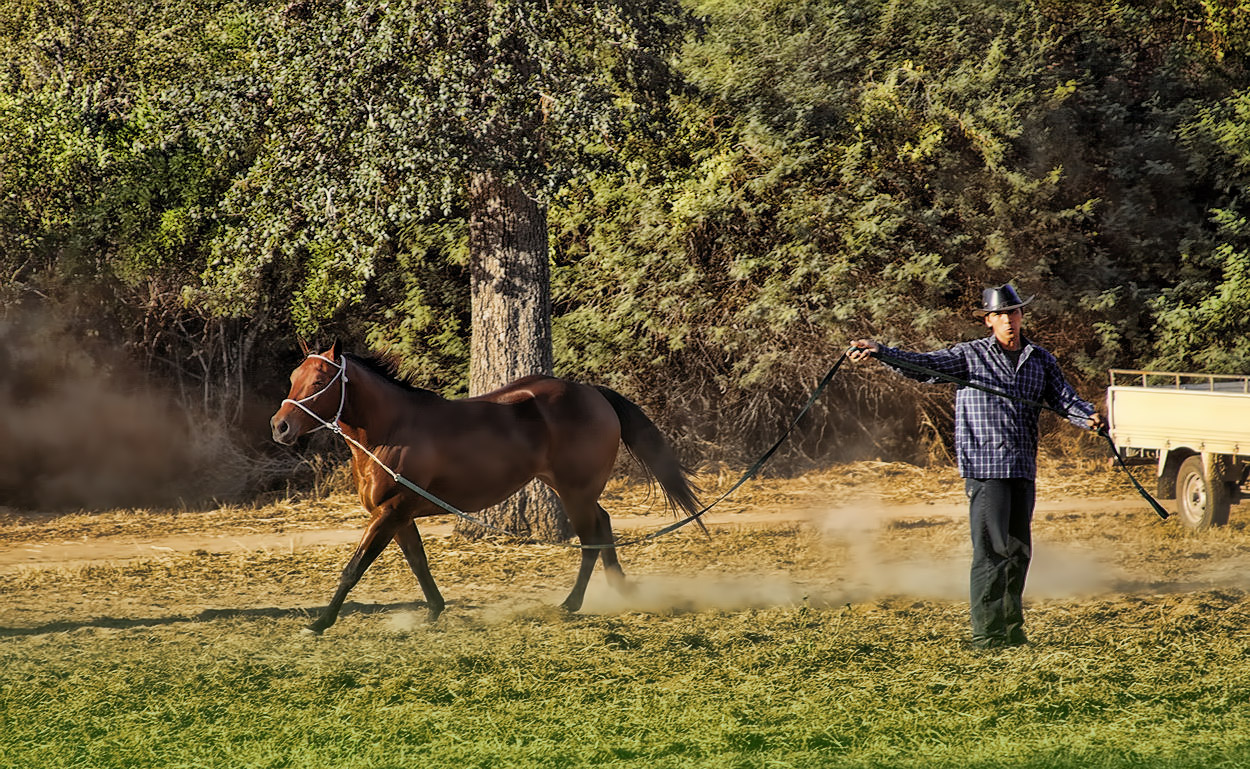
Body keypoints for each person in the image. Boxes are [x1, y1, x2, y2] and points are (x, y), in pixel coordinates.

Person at [848, 283, 1104, 649]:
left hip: (1021, 466)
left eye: (1012, 312)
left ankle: (1012, 632)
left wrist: (1088, 419)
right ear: (988, 321)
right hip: (985, 467)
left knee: (1018, 551)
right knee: (991, 551)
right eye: (999, 315)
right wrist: (881, 352)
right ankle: (987, 635)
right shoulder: (970, 356)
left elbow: (1064, 399)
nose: (1008, 320)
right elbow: (925, 366)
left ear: (1021, 315)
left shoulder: (1040, 359)